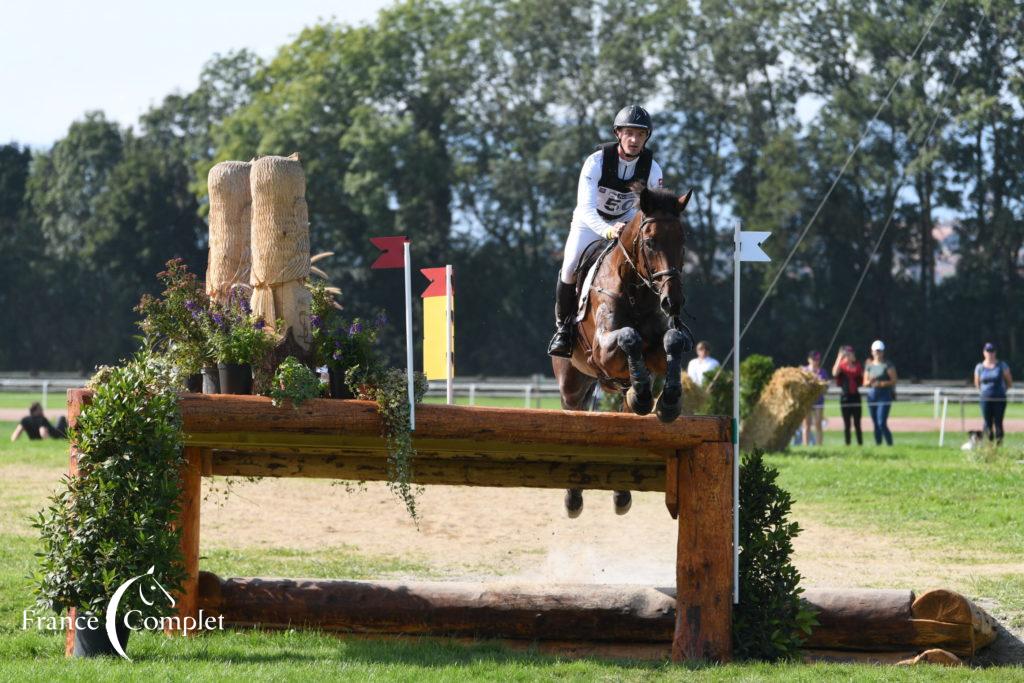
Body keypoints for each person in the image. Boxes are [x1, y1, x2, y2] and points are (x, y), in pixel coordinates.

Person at [547, 105, 664, 357]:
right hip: (590, 222)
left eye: (641, 134)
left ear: (647, 137)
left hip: (627, 220)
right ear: (618, 134)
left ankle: (659, 320)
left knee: (652, 264)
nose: (634, 140)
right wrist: (608, 230)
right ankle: (563, 329)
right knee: (569, 266)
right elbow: (586, 207)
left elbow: (652, 211)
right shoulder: (596, 162)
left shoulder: (653, 170)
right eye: (629, 133)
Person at [974, 342, 1012, 445]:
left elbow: (1009, 382)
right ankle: (988, 445)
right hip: (985, 399)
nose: (990, 353)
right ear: (984, 352)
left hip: (999, 398)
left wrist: (1001, 391)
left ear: (995, 352)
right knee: (987, 422)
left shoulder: (1001, 365)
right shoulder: (980, 367)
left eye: (992, 351)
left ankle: (999, 444)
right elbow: (977, 383)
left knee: (998, 422)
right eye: (988, 351)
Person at [863, 340, 897, 446]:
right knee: (875, 423)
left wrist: (881, 383)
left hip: (884, 395)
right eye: (876, 351)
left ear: (883, 352)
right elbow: (865, 382)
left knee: (881, 422)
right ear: (872, 352)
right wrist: (870, 381)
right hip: (872, 396)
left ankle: (889, 444)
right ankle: (878, 444)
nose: (877, 353)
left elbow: (894, 380)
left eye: (879, 351)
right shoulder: (869, 365)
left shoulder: (887, 365)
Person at [832, 345, 864, 446]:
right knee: (847, 424)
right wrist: (839, 357)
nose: (849, 355)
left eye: (850, 353)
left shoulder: (857, 365)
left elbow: (862, 375)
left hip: (855, 396)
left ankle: (860, 443)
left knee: (857, 423)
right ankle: (848, 443)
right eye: (847, 353)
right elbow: (834, 373)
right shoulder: (841, 366)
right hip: (845, 397)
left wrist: (854, 360)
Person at [801, 351, 829, 445]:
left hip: (819, 401)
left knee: (818, 424)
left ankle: (819, 445)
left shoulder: (822, 372)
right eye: (814, 359)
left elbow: (826, 388)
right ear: (809, 359)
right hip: (807, 401)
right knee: (806, 424)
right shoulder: (804, 371)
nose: (816, 361)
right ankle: (805, 445)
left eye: (817, 359)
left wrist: (821, 384)